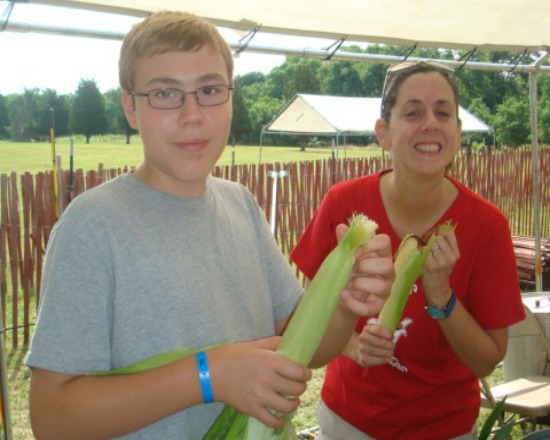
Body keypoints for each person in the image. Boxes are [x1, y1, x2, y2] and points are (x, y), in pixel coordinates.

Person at [25, 11, 394, 440]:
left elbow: (301, 349)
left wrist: (344, 305)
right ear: (130, 106)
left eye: (209, 90)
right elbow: (52, 418)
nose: (192, 114)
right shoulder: (92, 226)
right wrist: (208, 375)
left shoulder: (240, 205)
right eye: (165, 93)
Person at [290, 60, 526, 440]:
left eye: (443, 113)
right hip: (350, 421)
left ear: (457, 132)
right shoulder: (344, 205)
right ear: (384, 133)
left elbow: (486, 359)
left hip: (443, 428)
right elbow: (306, 318)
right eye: (413, 112)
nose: (430, 123)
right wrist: (352, 346)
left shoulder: (487, 226)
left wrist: (441, 295)